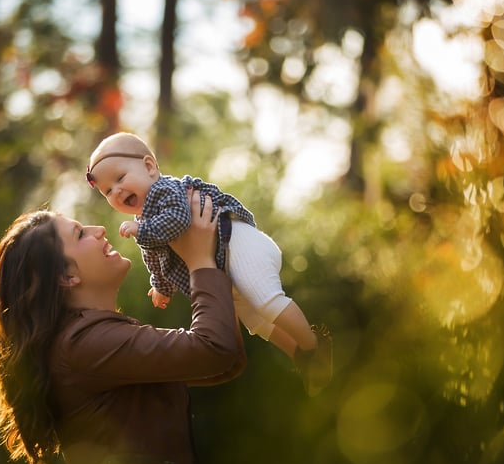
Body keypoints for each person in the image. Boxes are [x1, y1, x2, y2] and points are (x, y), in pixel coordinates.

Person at [0, 190, 245, 464]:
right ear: (67, 276)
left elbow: (224, 361)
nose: (99, 230)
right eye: (80, 234)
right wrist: (200, 261)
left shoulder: (91, 339)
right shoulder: (84, 345)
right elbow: (215, 349)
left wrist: (213, 267)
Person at [85, 132, 333, 396]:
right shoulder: (144, 220)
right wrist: (160, 286)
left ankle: (313, 346)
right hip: (228, 265)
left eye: (120, 178)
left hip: (239, 244)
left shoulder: (165, 190)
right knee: (255, 321)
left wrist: (140, 229)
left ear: (149, 166)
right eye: (108, 191)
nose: (117, 191)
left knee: (267, 302)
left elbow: (178, 220)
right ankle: (298, 354)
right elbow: (155, 259)